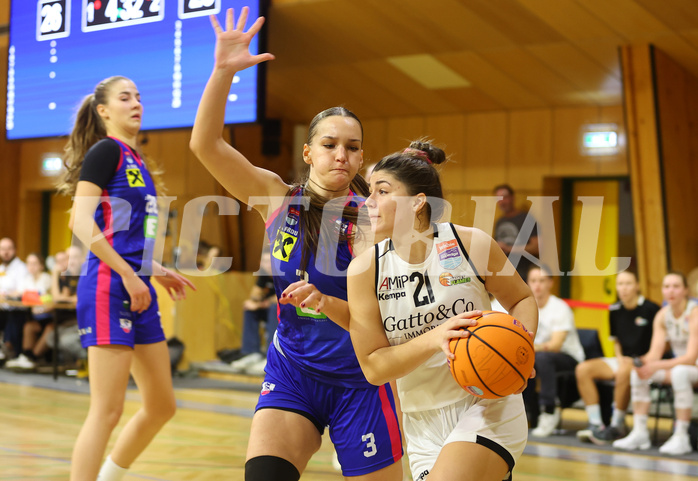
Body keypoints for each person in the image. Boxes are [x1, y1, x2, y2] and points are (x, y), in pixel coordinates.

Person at [189, 8, 403, 480]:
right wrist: (222, 72)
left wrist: (327, 301)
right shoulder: (274, 197)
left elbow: (380, 318)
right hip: (293, 371)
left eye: (351, 147)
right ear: (308, 152)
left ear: (363, 158)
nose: (340, 155)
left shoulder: (373, 219)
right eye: (329, 144)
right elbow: (205, 145)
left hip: (362, 380)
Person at [347, 140, 539, 481]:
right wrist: (435, 338)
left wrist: (522, 348)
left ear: (418, 202)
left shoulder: (470, 243)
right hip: (421, 418)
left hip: (486, 404)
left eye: (382, 191)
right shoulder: (364, 270)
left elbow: (522, 300)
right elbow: (374, 368)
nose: (369, 201)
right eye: (369, 192)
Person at [56, 75, 195, 481]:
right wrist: (130, 275)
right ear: (103, 111)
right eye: (124, 97)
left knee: (161, 405)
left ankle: (109, 476)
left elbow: (130, 235)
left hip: (138, 286)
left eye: (138, 96)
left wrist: (154, 270)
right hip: (107, 286)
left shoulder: (139, 163)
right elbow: (81, 222)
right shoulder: (105, 152)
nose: (136, 103)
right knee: (107, 409)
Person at [613, 272, 698, 455]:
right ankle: (640, 432)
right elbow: (654, 354)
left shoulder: (694, 313)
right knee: (639, 373)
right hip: (679, 367)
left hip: (692, 366)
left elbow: (691, 358)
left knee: (680, 372)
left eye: (676, 286)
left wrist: (656, 365)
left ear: (685, 290)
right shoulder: (662, 315)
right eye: (666, 287)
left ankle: (681, 436)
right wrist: (641, 362)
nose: (671, 291)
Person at [574, 271, 660, 444]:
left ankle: (617, 425)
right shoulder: (614, 309)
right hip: (623, 359)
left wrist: (639, 360)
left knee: (623, 372)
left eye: (628, 283)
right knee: (583, 369)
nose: (624, 288)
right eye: (620, 284)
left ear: (637, 286)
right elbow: (616, 341)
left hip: (645, 361)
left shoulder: (651, 309)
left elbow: (660, 343)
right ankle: (596, 424)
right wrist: (620, 357)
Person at [524, 265, 585, 438]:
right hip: (538, 355)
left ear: (550, 283)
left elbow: (556, 345)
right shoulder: (527, 307)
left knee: (542, 358)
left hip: (568, 357)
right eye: (533, 281)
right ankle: (526, 412)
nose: (537, 285)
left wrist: (528, 347)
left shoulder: (560, 307)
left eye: (542, 281)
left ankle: (549, 411)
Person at [230, 250, 278, 376]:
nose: (268, 265)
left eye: (270, 262)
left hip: (284, 312)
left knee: (273, 308)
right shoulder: (264, 275)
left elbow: (281, 299)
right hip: (268, 308)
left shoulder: (283, 275)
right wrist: (255, 301)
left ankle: (271, 356)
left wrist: (259, 303)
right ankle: (251, 353)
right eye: (265, 262)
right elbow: (254, 294)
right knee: (249, 309)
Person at [5, 253, 53, 369]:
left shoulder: (47, 278)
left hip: (50, 316)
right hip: (36, 317)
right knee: (28, 326)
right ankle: (26, 356)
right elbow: (20, 293)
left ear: (41, 265)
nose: (31, 266)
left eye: (34, 263)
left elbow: (46, 298)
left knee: (48, 329)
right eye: (29, 263)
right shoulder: (27, 279)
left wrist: (30, 296)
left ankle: (34, 357)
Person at [493, 184, 539, 281]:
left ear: (512, 198)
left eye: (504, 197)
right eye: (498, 199)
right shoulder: (500, 221)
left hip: (524, 274)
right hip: (505, 274)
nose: (501, 202)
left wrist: (509, 248)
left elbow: (536, 247)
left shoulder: (526, 219)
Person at [0, 237, 29, 360]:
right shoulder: (2, 268)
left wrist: (6, 295)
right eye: (2, 249)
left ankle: (8, 349)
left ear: (15, 250)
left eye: (9, 249)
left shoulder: (21, 267)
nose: (6, 252)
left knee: (12, 316)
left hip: (17, 309)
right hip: (3, 308)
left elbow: (22, 291)